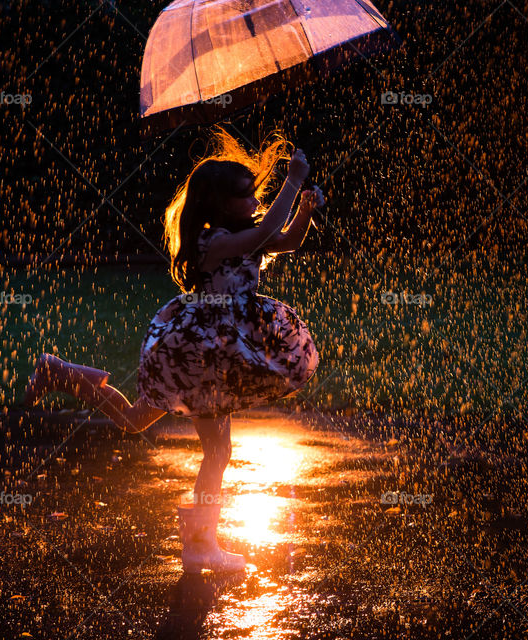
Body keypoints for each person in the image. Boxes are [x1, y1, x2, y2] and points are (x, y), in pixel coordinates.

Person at [18, 127, 322, 574]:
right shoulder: (212, 241)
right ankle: (200, 546)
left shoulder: (242, 232)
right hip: (203, 353)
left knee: (137, 418)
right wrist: (293, 182)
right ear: (220, 203)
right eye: (248, 194)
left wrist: (306, 211)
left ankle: (62, 372)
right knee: (217, 453)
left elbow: (287, 239)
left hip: (215, 351)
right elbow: (265, 233)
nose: (256, 201)